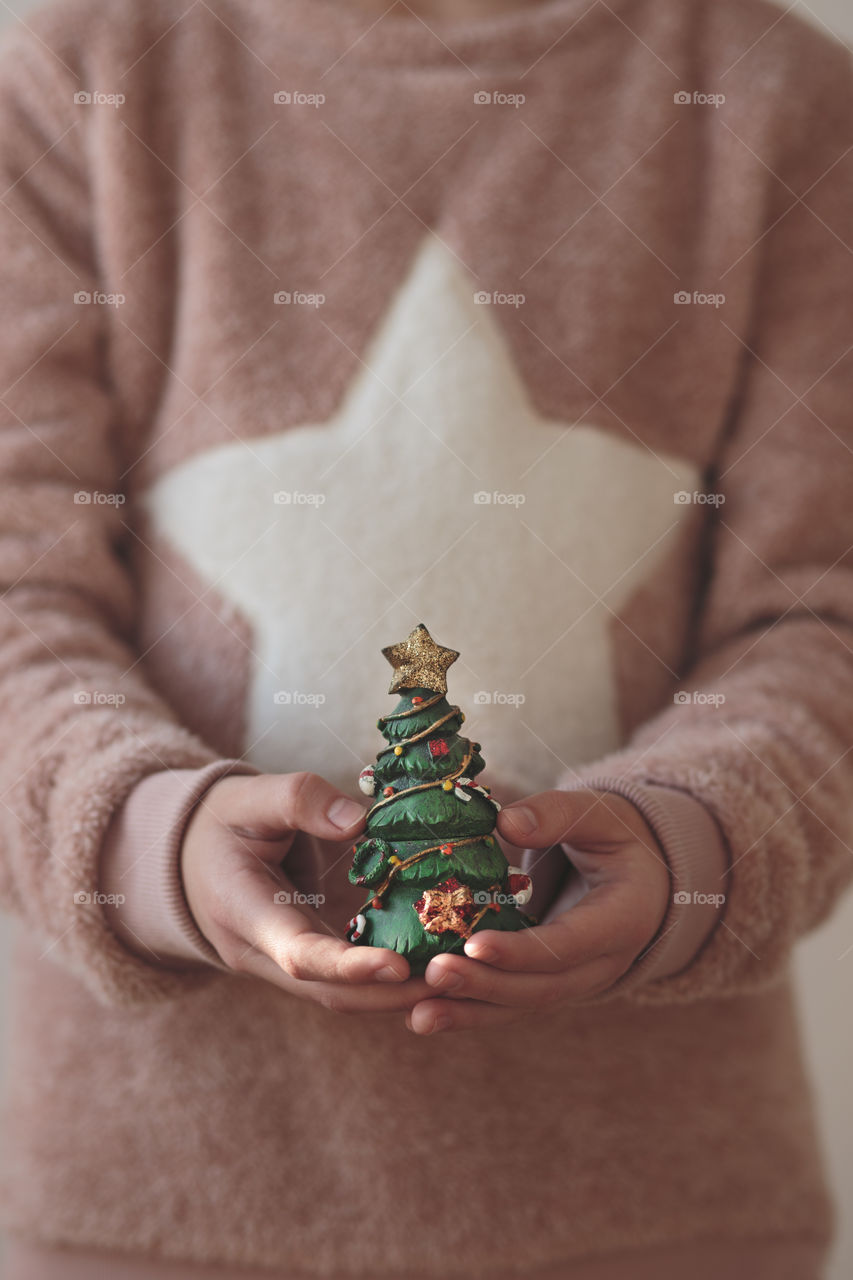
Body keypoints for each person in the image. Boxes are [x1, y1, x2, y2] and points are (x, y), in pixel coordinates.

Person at [0, 0, 851, 1275]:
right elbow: (17, 604)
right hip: (147, 1202)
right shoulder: (76, 77)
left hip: (659, 1206)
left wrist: (686, 846)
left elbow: (820, 620)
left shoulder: (777, 99)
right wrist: (155, 843)